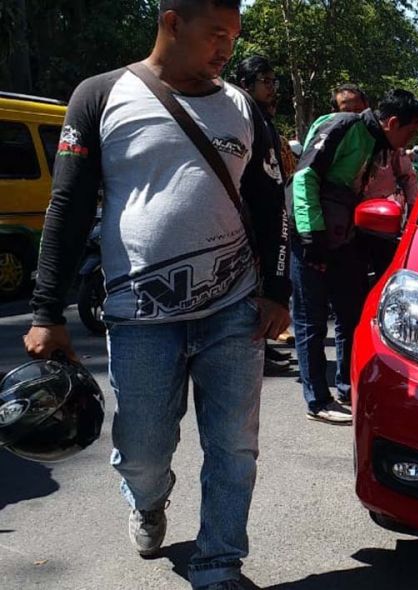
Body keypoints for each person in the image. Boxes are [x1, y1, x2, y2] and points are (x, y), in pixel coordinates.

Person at [23, 1, 291, 588]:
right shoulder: (99, 96)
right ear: (172, 22)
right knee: (143, 450)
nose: (227, 49)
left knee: (234, 447)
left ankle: (219, 562)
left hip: (234, 309)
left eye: (233, 36)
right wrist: (47, 311)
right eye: (215, 34)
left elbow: (273, 202)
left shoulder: (242, 106)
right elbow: (68, 207)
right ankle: (148, 498)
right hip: (139, 315)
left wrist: (277, 290)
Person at [290, 88, 418, 424]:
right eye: (410, 131)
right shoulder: (344, 126)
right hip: (311, 235)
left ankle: (347, 388)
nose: (410, 140)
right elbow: (305, 176)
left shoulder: (378, 143)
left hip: (344, 236)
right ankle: (317, 400)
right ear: (392, 123)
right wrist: (311, 235)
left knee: (351, 315)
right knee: (311, 321)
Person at [235, 55, 295, 376]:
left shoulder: (265, 120)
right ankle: (258, 352)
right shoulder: (239, 118)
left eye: (274, 81)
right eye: (265, 82)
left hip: (264, 222)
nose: (272, 88)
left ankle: (263, 350)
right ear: (245, 85)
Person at [331, 83, 418, 279]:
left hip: (383, 222)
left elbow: (408, 176)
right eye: (347, 112)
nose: (354, 117)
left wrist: (414, 216)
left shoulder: (390, 141)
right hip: (346, 225)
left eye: (358, 110)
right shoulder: (337, 139)